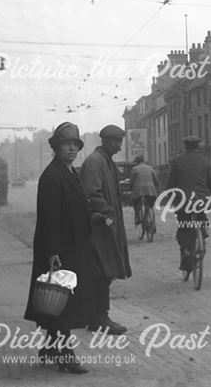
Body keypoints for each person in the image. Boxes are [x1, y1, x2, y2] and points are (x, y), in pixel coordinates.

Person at [24, 122, 96, 374]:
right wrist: (53, 251)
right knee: (63, 303)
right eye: (67, 145)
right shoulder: (52, 176)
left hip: (72, 246)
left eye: (75, 145)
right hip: (59, 249)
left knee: (60, 301)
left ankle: (49, 347)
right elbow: (49, 217)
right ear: (56, 147)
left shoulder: (69, 171)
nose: (73, 149)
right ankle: (66, 356)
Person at [78, 124, 131, 334]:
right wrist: (107, 213)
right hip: (100, 227)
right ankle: (100, 318)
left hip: (106, 225)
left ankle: (96, 317)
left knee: (103, 272)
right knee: (102, 271)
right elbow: (91, 193)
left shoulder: (105, 160)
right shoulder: (95, 161)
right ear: (105, 141)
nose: (118, 146)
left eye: (120, 141)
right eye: (115, 141)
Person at [167, 135, 211, 274]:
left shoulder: (178, 161)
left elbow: (171, 184)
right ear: (198, 147)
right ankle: (202, 235)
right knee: (201, 220)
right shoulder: (206, 162)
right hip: (200, 201)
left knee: (183, 228)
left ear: (186, 147)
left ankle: (187, 251)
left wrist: (170, 199)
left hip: (183, 203)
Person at [130, 154, 161, 227]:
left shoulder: (135, 169)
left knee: (135, 202)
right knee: (150, 205)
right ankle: (150, 221)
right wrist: (158, 188)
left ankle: (138, 216)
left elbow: (131, 181)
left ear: (137, 162)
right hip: (151, 190)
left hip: (138, 190)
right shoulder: (150, 168)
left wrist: (130, 188)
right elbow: (156, 180)